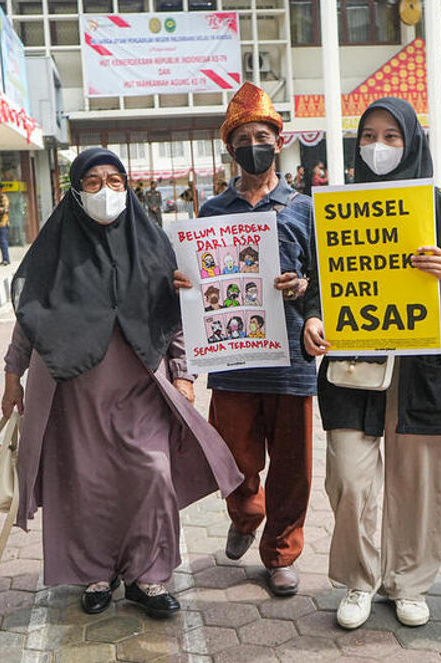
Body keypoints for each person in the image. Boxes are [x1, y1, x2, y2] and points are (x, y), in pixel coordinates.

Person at [0, 148, 242, 620]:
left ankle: (148, 577)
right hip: (74, 391)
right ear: (75, 190)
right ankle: (95, 573)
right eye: (92, 182)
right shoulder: (56, 252)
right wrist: (13, 376)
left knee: (152, 474)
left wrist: (183, 373)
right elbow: (29, 319)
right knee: (87, 485)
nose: (105, 192)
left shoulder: (152, 246)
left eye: (115, 181)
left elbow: (174, 318)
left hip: (140, 387)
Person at [302, 98, 441, 630]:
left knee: (416, 481)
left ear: (413, 143)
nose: (379, 147)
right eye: (370, 136)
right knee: (350, 477)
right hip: (353, 367)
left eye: (392, 137)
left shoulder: (436, 207)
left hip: (420, 372)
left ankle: (409, 581)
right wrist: (312, 318)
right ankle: (359, 579)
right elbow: (317, 283)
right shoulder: (335, 210)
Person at [175, 82, 316, 597]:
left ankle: (281, 552)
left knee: (294, 467)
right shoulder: (211, 213)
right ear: (230, 149)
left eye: (262, 135)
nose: (253, 144)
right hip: (232, 361)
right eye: (243, 138)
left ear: (279, 142)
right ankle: (245, 513)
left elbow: (324, 285)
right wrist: (185, 284)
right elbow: (196, 279)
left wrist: (305, 294)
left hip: (291, 362)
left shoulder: (305, 209)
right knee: (232, 459)